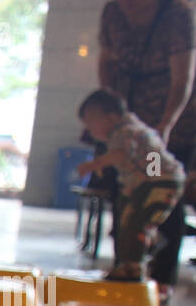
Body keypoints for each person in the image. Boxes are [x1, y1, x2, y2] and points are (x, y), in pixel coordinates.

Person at [98, 0, 196, 300]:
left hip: (166, 130)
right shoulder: (113, 13)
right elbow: (105, 64)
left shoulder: (179, 14)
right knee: (126, 194)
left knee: (156, 191)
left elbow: (183, 78)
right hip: (130, 123)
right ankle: (127, 267)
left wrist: (164, 126)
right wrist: (110, 115)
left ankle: (160, 278)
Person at [76, 89, 185, 281]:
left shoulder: (126, 132)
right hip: (152, 181)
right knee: (130, 219)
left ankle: (133, 267)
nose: (90, 131)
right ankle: (148, 245)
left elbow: (123, 154)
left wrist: (96, 164)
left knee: (136, 222)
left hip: (159, 182)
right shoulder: (131, 130)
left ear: (110, 117)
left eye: (91, 123)